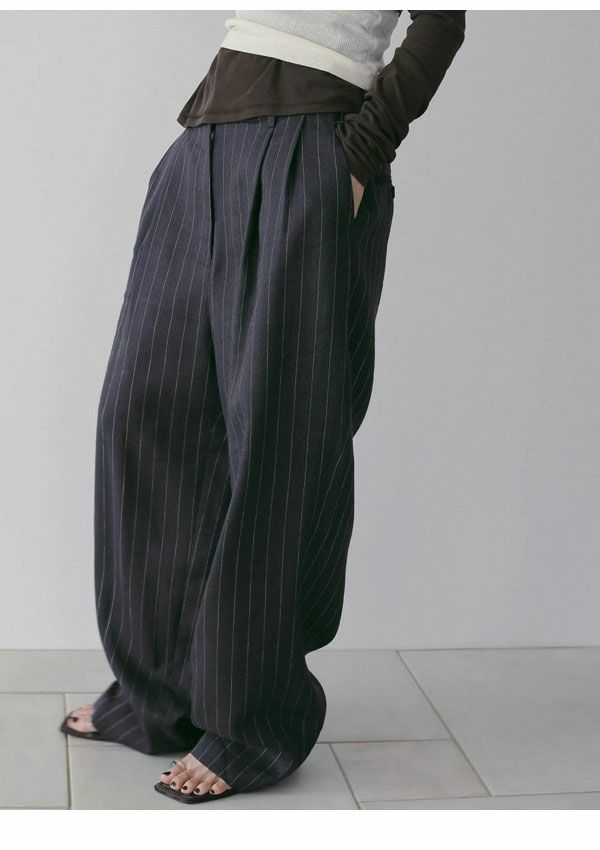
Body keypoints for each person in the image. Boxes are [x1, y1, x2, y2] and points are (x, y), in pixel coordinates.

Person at [61, 10, 466, 805]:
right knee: (144, 417)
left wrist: (361, 154)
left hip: (313, 146)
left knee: (278, 436)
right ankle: (158, 693)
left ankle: (253, 720)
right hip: (204, 140)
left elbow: (443, 24)